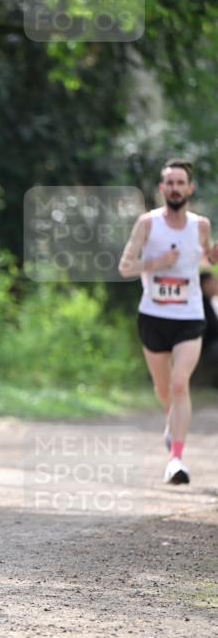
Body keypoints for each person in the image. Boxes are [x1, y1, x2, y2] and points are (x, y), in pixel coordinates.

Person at [118, 158, 218, 484]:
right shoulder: (147, 224)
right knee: (164, 391)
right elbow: (125, 267)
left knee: (179, 383)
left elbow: (203, 256)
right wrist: (157, 261)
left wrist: (212, 257)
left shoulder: (200, 225)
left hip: (189, 315)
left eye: (180, 182)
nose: (175, 188)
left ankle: (176, 459)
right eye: (169, 183)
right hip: (154, 316)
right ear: (162, 189)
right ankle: (171, 422)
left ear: (190, 188)